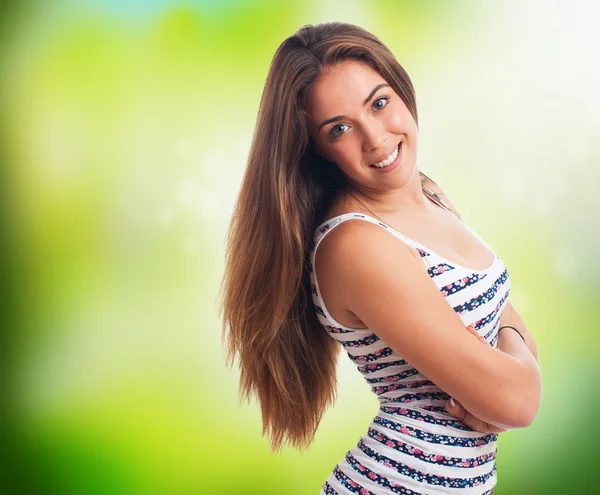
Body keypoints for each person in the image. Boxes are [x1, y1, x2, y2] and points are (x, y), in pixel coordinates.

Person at [218, 21, 541, 494]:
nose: (374, 138)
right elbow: (517, 401)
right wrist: (518, 377)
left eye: (379, 102)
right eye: (340, 129)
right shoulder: (357, 245)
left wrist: (513, 370)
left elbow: (508, 331)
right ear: (317, 149)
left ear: (401, 88)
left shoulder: (430, 197)